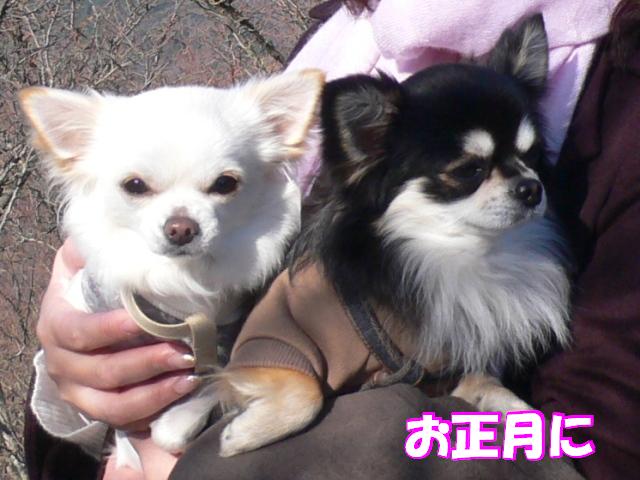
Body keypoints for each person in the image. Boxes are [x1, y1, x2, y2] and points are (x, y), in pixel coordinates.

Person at [25, 1, 640, 478]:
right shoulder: (346, 34)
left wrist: (236, 460)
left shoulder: (621, 103)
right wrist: (72, 387)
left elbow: (593, 445)